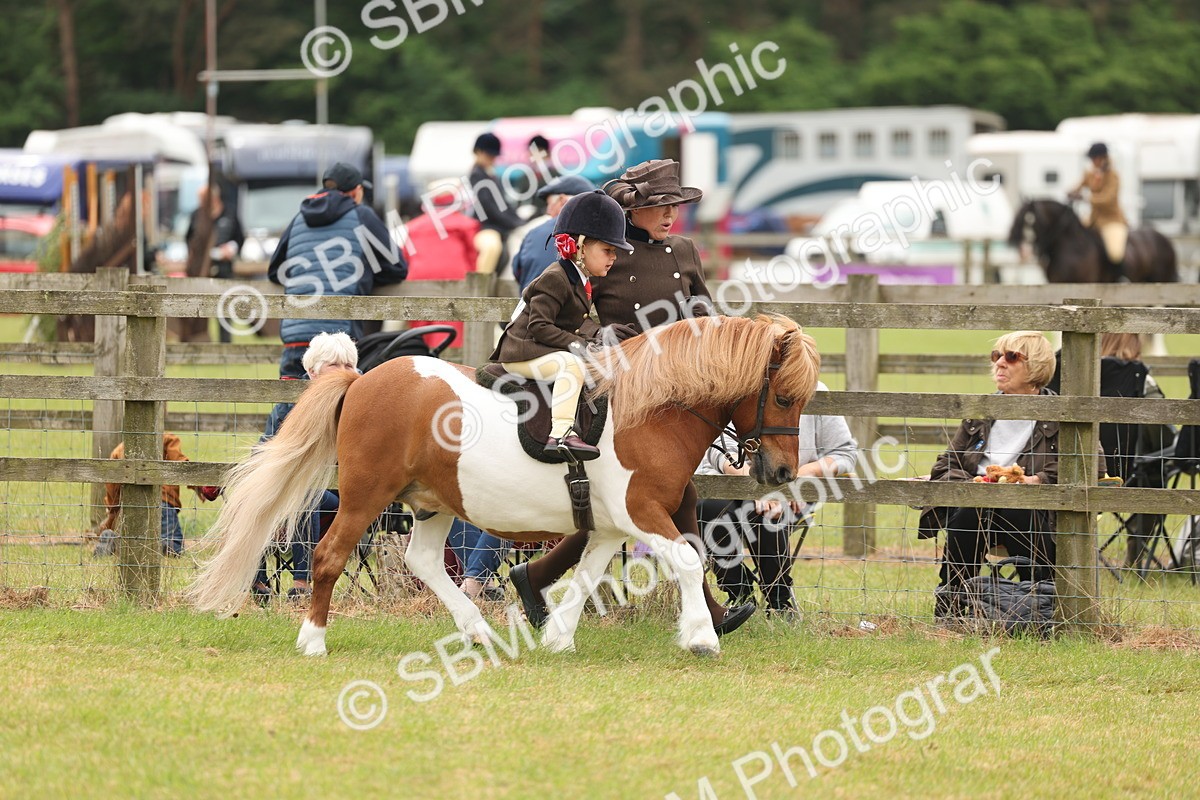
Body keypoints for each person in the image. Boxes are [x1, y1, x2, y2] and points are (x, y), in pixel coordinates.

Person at [510, 159, 758, 636]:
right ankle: (706, 609)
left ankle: (538, 576)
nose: (670, 214)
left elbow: (702, 310)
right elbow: (564, 307)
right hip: (617, 385)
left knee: (657, 495)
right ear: (632, 209)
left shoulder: (684, 250)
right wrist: (598, 335)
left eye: (675, 205)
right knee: (655, 496)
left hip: (671, 389)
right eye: (660, 205)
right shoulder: (605, 250)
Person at [918, 331, 1106, 620]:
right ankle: (951, 608)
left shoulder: (1061, 414)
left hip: (1036, 515)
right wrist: (973, 484)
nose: (999, 363)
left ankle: (1042, 609)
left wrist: (1037, 481)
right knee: (970, 511)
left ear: (1036, 367)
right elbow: (945, 466)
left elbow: (1093, 465)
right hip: (976, 507)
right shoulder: (980, 412)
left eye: (1011, 357)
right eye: (996, 356)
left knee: (1017, 506)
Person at [696, 382, 856, 618]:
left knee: (766, 512)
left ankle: (779, 601)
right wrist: (755, 485)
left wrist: (799, 477)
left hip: (792, 489)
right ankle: (739, 592)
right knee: (707, 509)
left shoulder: (816, 391)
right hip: (731, 481)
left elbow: (845, 454)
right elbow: (718, 447)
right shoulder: (738, 385)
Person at [490, 190, 631, 458]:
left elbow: (575, 322)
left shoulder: (580, 278)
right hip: (521, 351)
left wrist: (601, 335)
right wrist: (581, 346)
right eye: (608, 250)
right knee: (571, 363)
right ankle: (561, 434)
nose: (614, 257)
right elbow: (539, 326)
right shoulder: (555, 277)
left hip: (539, 347)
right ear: (580, 247)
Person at [267, 162, 407, 380]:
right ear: (356, 191)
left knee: (291, 400)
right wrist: (363, 274)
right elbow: (397, 268)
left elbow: (276, 271)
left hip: (296, 337)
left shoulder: (298, 219)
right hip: (339, 340)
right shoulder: (362, 215)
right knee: (340, 399)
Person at [252, 332, 359, 601]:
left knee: (306, 494)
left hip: (338, 492)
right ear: (312, 371)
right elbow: (265, 446)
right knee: (257, 492)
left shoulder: (360, 399)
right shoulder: (290, 400)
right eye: (334, 365)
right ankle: (257, 581)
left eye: (349, 365)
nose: (343, 371)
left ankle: (301, 583)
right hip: (288, 485)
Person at [98, 434, 220, 558]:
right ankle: (164, 546)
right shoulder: (166, 439)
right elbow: (181, 465)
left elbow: (113, 489)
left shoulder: (119, 450)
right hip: (163, 504)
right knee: (173, 547)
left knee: (134, 541)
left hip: (131, 506)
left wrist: (113, 515)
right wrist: (200, 484)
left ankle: (113, 540)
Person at [402, 185, 481, 345]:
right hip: (454, 277)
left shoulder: (413, 226)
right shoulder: (466, 224)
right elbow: (473, 255)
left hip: (418, 277)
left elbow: (405, 256)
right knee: (450, 325)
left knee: (420, 327)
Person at [511, 175, 596, 291]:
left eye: (549, 204)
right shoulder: (598, 236)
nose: (547, 210)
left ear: (562, 200)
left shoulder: (533, 233)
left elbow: (518, 271)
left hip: (530, 301)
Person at [186, 184, 246, 343]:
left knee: (225, 310)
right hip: (201, 271)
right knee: (199, 312)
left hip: (224, 269)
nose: (201, 202)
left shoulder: (229, 212)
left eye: (203, 199)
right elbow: (188, 239)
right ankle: (199, 345)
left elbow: (240, 238)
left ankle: (225, 347)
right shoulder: (196, 215)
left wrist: (232, 248)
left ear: (214, 198)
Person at [468, 133, 526, 276]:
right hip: (484, 226)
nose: (492, 159)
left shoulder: (492, 175)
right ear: (478, 152)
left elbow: (503, 203)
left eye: (494, 156)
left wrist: (519, 220)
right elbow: (488, 206)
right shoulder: (476, 175)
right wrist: (512, 223)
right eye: (489, 155)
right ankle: (481, 283)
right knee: (492, 248)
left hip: (498, 224)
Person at [1068, 142, 1128, 279]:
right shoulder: (1091, 174)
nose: (1092, 162)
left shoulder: (1113, 175)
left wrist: (1087, 198)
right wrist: (1071, 192)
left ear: (1102, 158)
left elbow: (1108, 199)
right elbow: (1079, 185)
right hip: (1093, 220)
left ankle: (1121, 277)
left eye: (1094, 158)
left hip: (1111, 220)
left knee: (1115, 253)